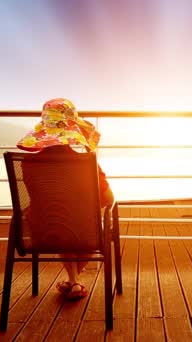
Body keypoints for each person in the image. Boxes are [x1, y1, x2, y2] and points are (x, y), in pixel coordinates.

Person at [16, 98, 114, 300]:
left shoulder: (27, 164)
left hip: (41, 230)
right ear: (73, 130)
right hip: (84, 234)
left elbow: (44, 197)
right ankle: (75, 280)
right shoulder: (85, 164)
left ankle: (73, 279)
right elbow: (108, 199)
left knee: (58, 216)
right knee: (83, 220)